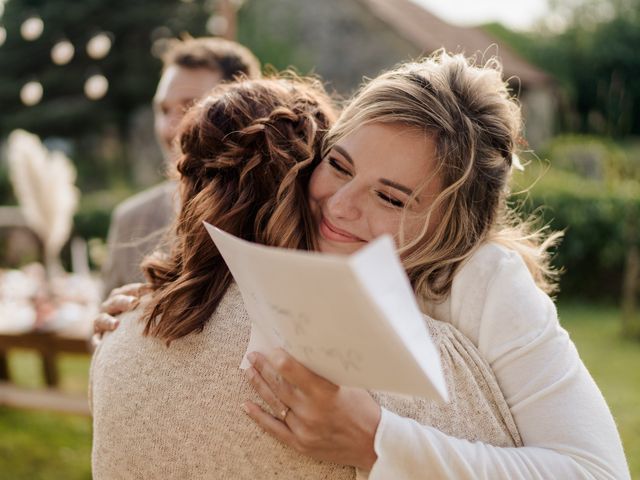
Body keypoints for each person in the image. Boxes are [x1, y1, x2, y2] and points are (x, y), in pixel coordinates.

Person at [95, 51, 630, 478]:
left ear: (452, 228)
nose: (341, 204)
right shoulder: (292, 223)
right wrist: (140, 307)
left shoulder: (483, 281)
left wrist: (378, 441)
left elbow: (595, 470)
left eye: (392, 199)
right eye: (339, 164)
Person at [101, 37, 261, 296]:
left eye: (190, 107)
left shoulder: (275, 215)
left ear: (244, 113)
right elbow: (99, 333)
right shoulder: (130, 220)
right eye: (163, 110)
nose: (169, 128)